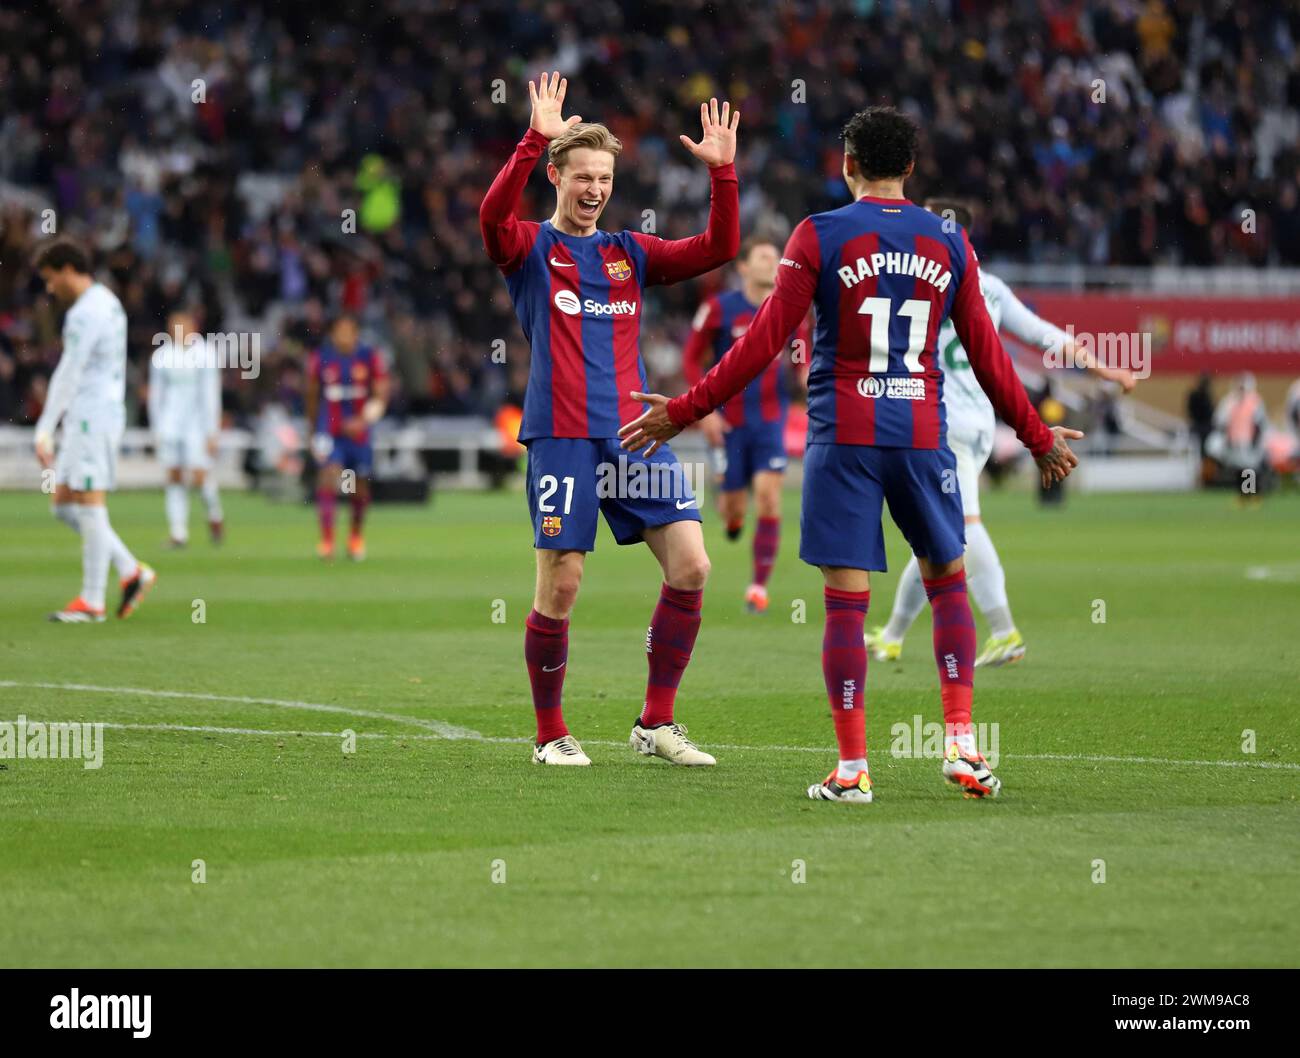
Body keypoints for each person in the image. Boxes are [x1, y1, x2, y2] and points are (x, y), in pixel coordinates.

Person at [620, 106, 1081, 803]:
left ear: (847, 164)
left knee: (844, 604)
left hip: (846, 438)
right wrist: (1038, 437)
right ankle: (961, 744)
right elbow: (988, 356)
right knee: (947, 579)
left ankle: (853, 769)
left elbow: (762, 343)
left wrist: (684, 411)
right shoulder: (947, 241)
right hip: (924, 436)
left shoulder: (819, 235)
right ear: (913, 169)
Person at [480, 72, 739, 767]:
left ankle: (656, 723)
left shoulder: (631, 253)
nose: (594, 189)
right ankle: (550, 734)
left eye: (604, 178)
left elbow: (718, 249)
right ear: (556, 176)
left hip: (633, 435)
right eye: (582, 176)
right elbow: (490, 218)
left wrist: (723, 175)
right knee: (562, 583)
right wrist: (533, 137)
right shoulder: (531, 249)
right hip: (560, 434)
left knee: (692, 565)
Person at [867, 198, 1135, 668]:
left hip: (941, 422)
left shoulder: (923, 276)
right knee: (935, 535)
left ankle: (1005, 630)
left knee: (962, 532)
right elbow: (1044, 334)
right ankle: (891, 636)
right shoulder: (990, 287)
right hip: (979, 425)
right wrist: (1104, 369)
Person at [682, 236, 809, 613]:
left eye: (777, 257)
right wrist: (704, 411)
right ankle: (734, 519)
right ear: (743, 268)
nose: (773, 262)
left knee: (770, 497)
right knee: (734, 507)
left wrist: (807, 381)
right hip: (727, 422)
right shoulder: (719, 309)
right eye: (765, 256)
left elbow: (801, 359)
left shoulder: (791, 310)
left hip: (770, 419)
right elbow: (691, 360)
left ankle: (758, 587)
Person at [33, 239, 156, 622]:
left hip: (92, 415)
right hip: (94, 412)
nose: (50, 289)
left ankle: (92, 601)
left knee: (88, 498)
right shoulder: (108, 301)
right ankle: (131, 570)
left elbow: (70, 370)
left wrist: (43, 427)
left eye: (52, 280)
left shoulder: (86, 313)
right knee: (64, 504)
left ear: (69, 269)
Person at [304, 314, 390, 561]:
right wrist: (312, 430)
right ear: (332, 334)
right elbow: (311, 394)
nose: (343, 336)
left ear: (355, 333)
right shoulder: (321, 358)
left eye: (348, 331)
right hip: (328, 430)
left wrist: (363, 420)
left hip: (359, 432)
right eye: (338, 331)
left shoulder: (369, 357)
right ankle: (327, 541)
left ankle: (354, 537)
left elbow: (381, 394)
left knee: (359, 487)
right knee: (329, 476)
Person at [149, 310, 224, 548]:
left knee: (200, 477)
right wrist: (157, 429)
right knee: (174, 476)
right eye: (174, 326)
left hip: (197, 425)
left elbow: (211, 394)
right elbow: (156, 396)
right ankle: (178, 533)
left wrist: (212, 431)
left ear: (193, 327)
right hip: (171, 424)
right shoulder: (161, 356)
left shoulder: (206, 354)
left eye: (183, 325)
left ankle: (214, 515)